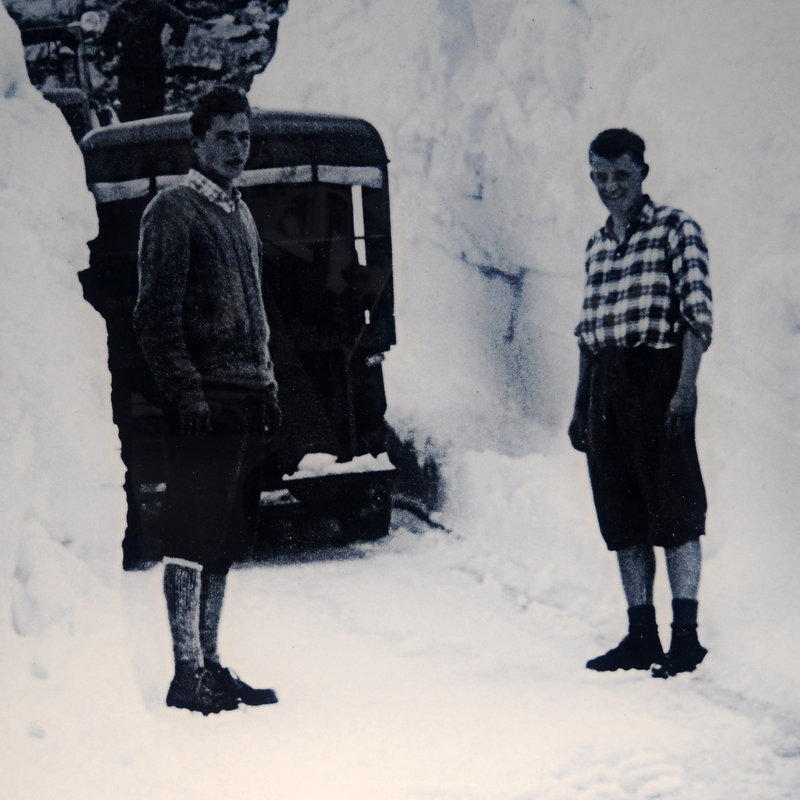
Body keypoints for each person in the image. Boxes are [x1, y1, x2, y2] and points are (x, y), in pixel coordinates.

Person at [134, 85, 281, 713]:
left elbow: (258, 316)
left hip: (246, 397)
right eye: (224, 137)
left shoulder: (240, 212)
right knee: (190, 536)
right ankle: (183, 672)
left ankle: (213, 665)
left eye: (244, 136)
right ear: (196, 143)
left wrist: (269, 383)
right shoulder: (173, 209)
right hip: (204, 400)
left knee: (226, 538)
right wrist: (188, 394)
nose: (237, 148)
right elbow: (154, 317)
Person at [569, 128, 713, 678]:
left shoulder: (677, 229)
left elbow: (696, 316)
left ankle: (686, 639)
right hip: (607, 386)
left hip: (658, 379)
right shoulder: (597, 244)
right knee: (622, 517)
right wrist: (581, 405)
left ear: (643, 173)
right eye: (600, 177)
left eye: (621, 176)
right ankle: (640, 636)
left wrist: (684, 389)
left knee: (674, 512)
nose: (610, 187)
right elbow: (587, 333)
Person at [102, 0, 189, 121]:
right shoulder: (119, 11)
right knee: (130, 113)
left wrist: (172, 47)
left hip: (153, 67)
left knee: (153, 112)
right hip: (129, 69)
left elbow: (182, 22)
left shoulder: (157, 5)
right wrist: (112, 56)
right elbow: (108, 39)